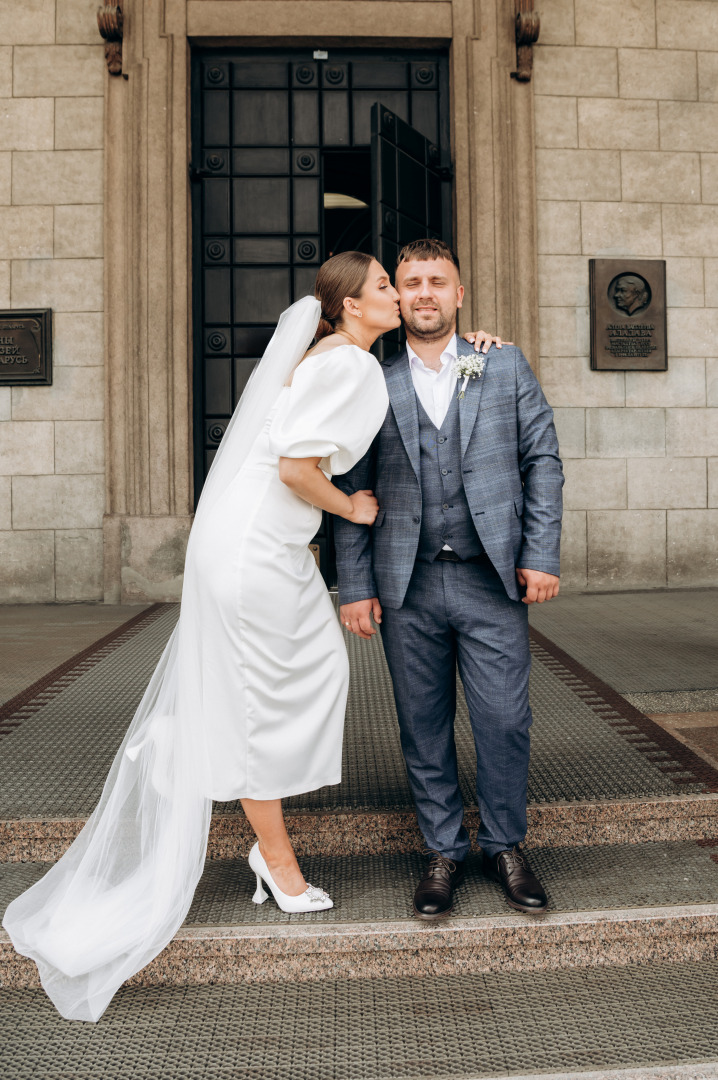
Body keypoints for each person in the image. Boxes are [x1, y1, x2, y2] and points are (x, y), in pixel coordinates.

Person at [3, 250, 500, 1022]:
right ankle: (276, 862)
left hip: (260, 542)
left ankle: (194, 753)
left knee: (292, 680)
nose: (397, 298)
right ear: (349, 304)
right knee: (271, 695)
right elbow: (298, 470)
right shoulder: (349, 367)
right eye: (382, 288)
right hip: (255, 546)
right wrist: (352, 511)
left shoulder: (338, 356)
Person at [334, 239, 564, 920]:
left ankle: (504, 844)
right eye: (412, 282)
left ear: (459, 295)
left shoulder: (503, 363)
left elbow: (541, 460)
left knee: (503, 718)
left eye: (439, 281)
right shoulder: (369, 379)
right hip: (406, 584)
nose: (425, 293)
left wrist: (541, 552)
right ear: (395, 296)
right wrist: (354, 586)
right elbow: (351, 483)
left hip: (490, 579)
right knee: (422, 723)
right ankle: (442, 850)